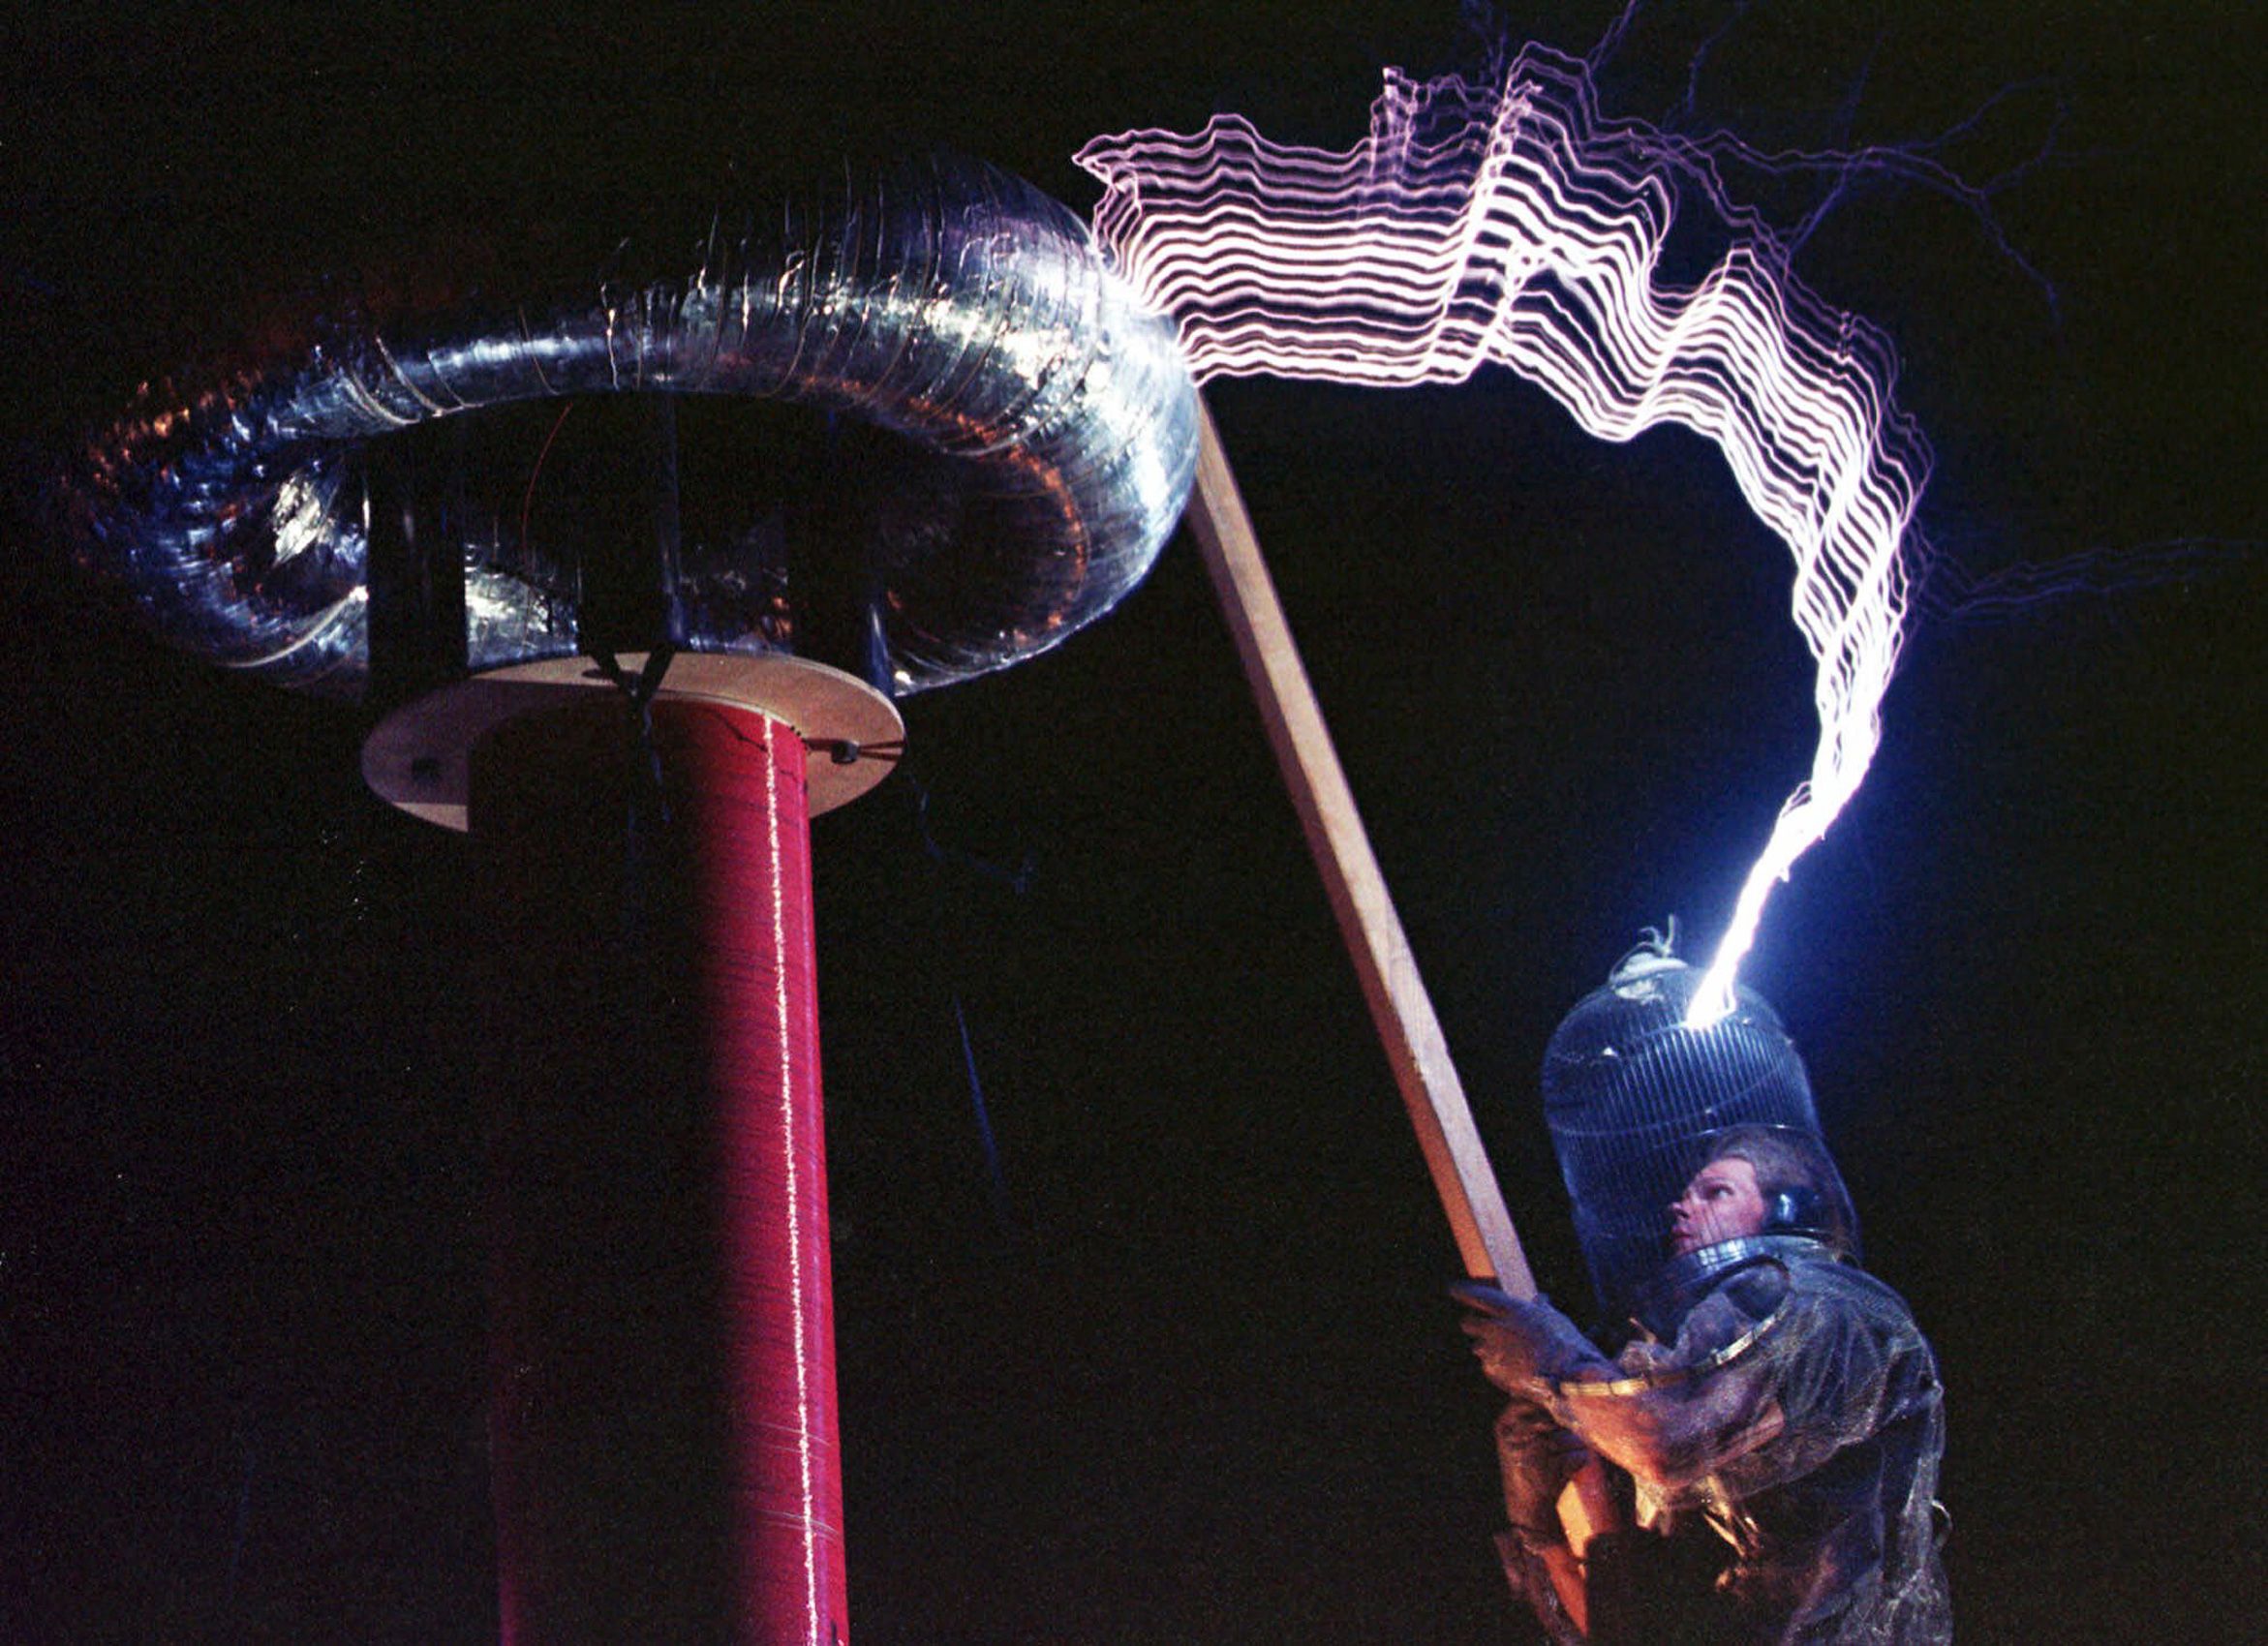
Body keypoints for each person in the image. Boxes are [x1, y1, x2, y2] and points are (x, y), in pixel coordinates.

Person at [1462, 1122, 1950, 1644]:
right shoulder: (1698, 1397)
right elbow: (1615, 1631)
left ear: (1787, 1211)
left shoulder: (1829, 1309)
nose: (1680, 1207)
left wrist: (1554, 1364)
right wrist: (1541, 1534)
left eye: (1716, 1191)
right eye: (1685, 1194)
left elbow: (1666, 1440)